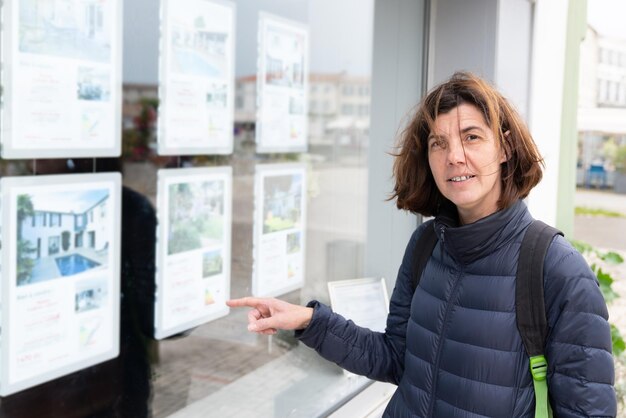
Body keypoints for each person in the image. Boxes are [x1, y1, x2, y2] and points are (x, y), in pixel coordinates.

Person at [227, 72, 616, 417]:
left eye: (472, 137)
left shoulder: (556, 269)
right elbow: (397, 359)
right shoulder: (427, 244)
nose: (454, 157)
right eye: (438, 143)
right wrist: (310, 321)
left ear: (505, 148)